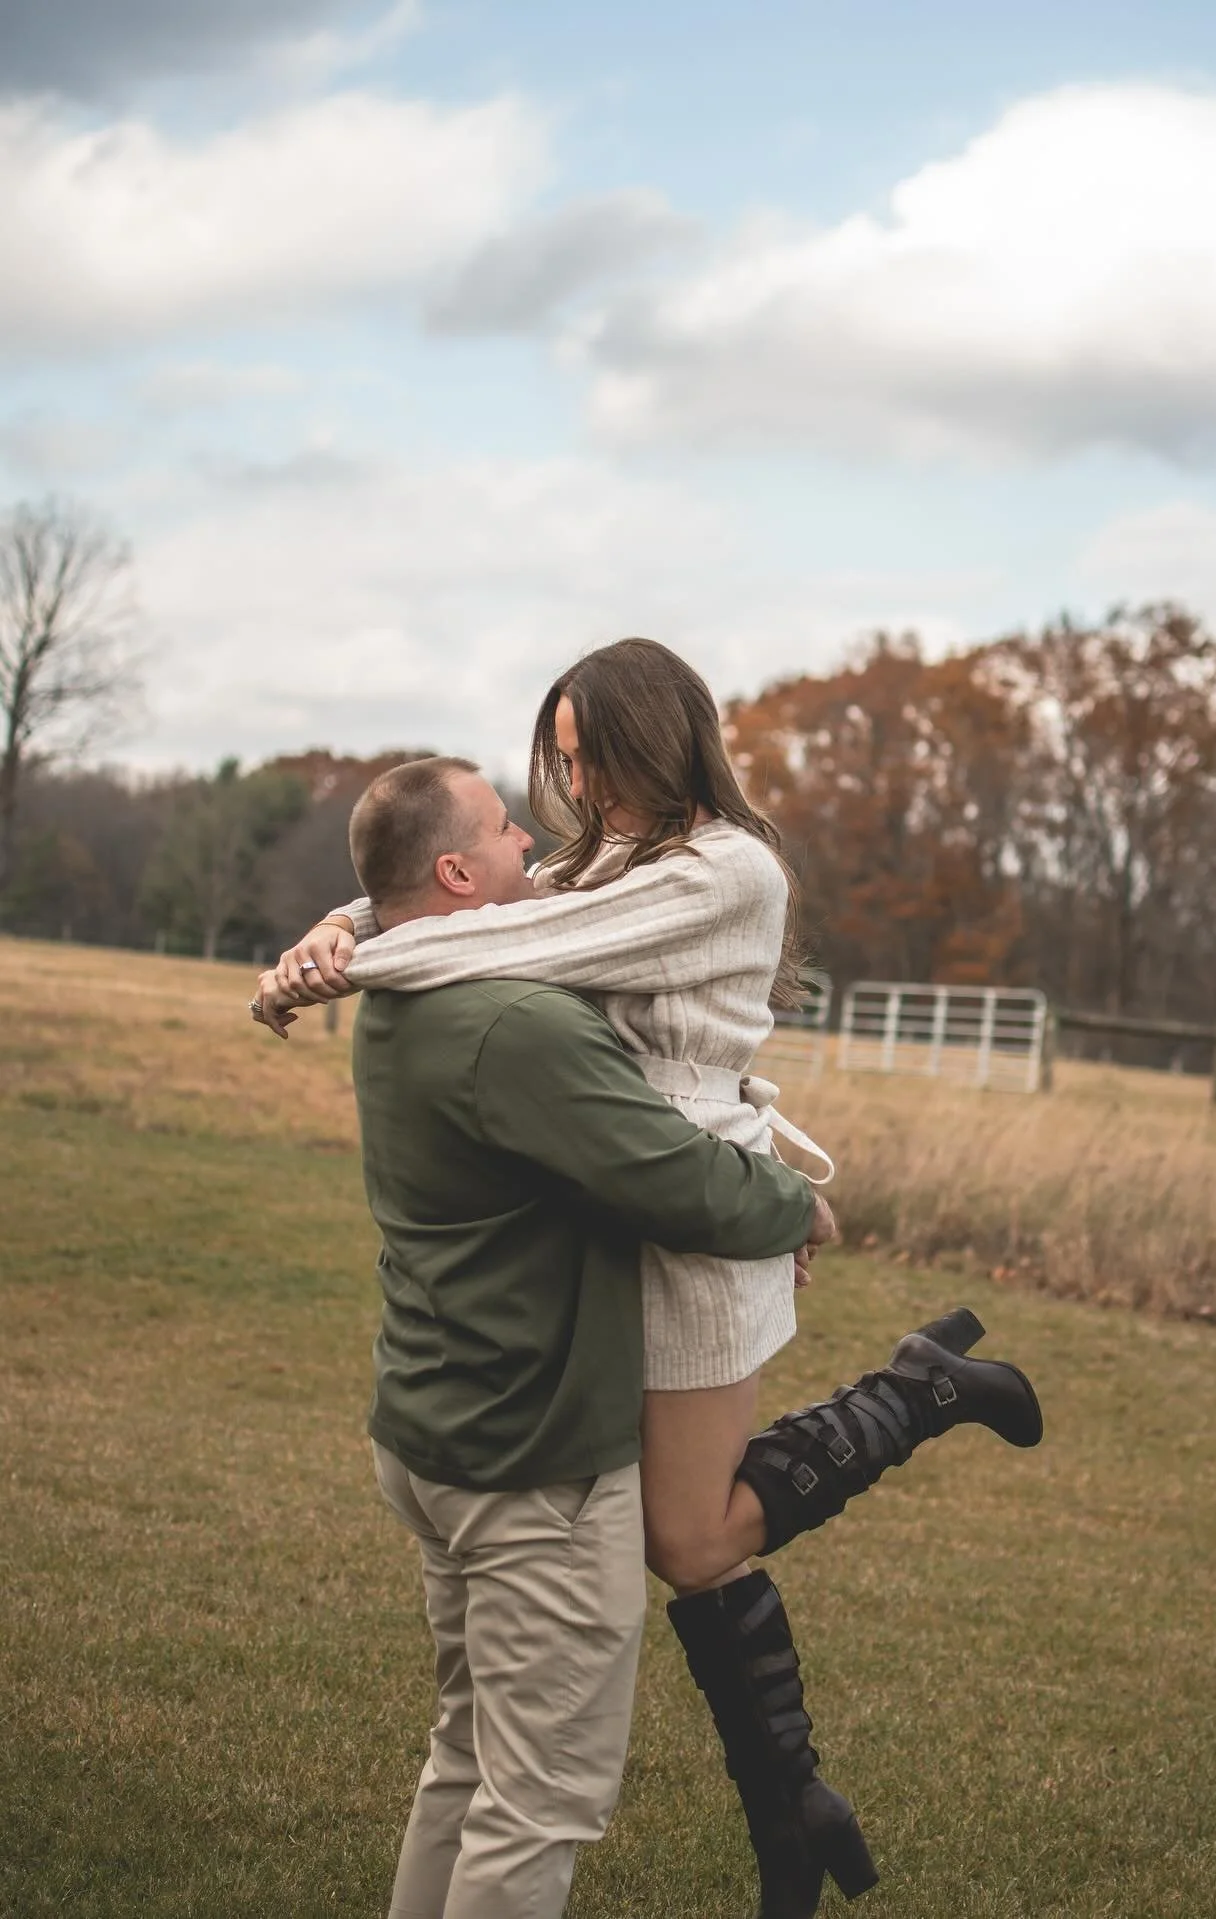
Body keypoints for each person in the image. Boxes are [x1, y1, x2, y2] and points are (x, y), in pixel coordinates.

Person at [257, 639, 1042, 1919]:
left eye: (589, 755)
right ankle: (791, 1801)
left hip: (698, 1194)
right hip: (631, 1195)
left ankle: (915, 1393)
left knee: (688, 1531)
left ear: (657, 737)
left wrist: (359, 954)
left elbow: (514, 927)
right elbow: (467, 897)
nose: (571, 785)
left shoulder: (724, 869)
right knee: (669, 1534)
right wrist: (347, 921)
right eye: (556, 759)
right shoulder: (610, 854)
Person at [288, 753, 827, 1919]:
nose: (532, 839)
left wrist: (335, 926)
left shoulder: (398, 990)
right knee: (538, 1804)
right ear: (456, 871)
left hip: (437, 1432)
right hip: (533, 1466)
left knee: (469, 1761)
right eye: (503, 829)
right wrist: (801, 1202)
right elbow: (677, 1180)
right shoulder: (514, 1021)